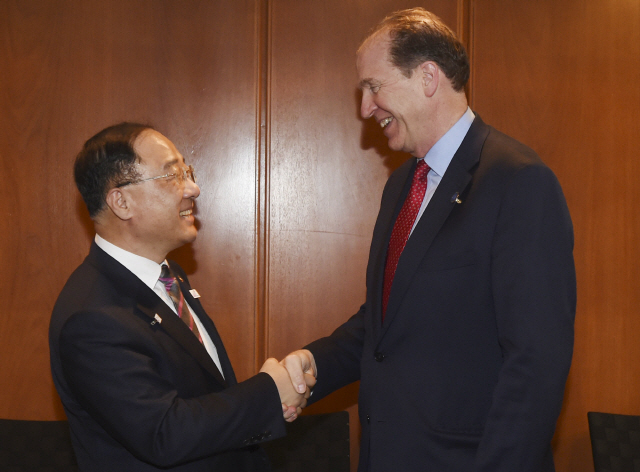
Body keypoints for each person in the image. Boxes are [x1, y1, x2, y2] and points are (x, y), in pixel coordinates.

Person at [282, 8, 576, 472]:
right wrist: (309, 362)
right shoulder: (401, 187)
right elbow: (384, 326)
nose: (365, 108)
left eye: (373, 87)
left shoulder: (518, 182)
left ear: (427, 78)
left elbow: (535, 365)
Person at [49, 123, 309, 471]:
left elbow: (201, 395)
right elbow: (165, 433)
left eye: (188, 171)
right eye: (172, 175)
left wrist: (266, 401)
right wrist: (268, 394)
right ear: (121, 202)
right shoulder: (92, 317)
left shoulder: (168, 276)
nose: (193, 188)